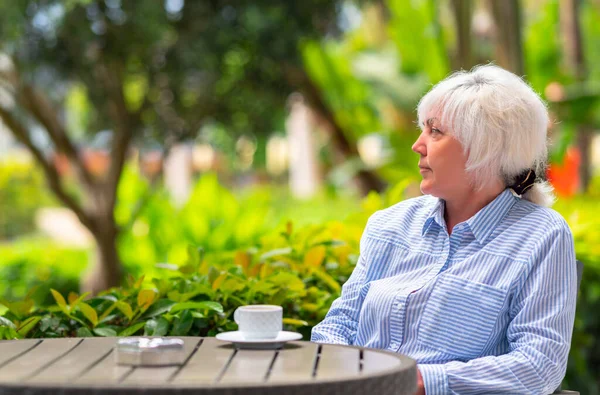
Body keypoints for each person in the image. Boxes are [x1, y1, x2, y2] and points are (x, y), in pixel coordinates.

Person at [311, 64, 577, 395]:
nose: (417, 145)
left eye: (435, 131)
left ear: (486, 146)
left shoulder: (542, 235)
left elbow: (539, 365)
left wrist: (421, 382)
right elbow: (338, 326)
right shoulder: (389, 225)